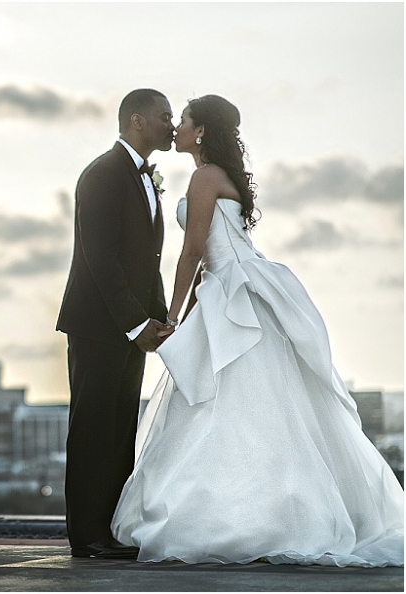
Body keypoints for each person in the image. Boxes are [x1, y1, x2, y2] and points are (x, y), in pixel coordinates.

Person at [111, 94, 404, 567]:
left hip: (229, 290)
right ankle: (268, 513)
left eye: (182, 121)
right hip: (236, 288)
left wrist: (171, 315)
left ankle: (248, 519)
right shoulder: (217, 175)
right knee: (254, 406)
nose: (176, 128)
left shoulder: (205, 177)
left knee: (229, 402)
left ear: (201, 130)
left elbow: (192, 253)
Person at [56, 88, 175, 559]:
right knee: (92, 427)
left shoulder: (143, 177)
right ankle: (86, 537)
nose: (172, 124)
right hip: (99, 326)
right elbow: (99, 258)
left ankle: (108, 531)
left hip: (130, 328)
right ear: (137, 121)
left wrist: (159, 317)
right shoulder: (103, 174)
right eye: (165, 116)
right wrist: (134, 322)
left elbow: (148, 260)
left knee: (119, 428)